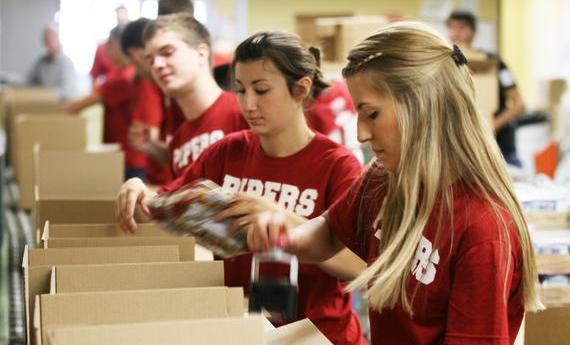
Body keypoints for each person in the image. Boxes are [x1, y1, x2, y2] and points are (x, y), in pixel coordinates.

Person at [247, 22, 542, 345]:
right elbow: (333, 230)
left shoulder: (482, 230)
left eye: (371, 114)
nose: (361, 134)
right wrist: (287, 235)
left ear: (421, 109)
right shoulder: (383, 179)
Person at [117, 31, 369, 345]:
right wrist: (138, 190)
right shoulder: (226, 153)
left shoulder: (338, 166)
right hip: (243, 333)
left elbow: (361, 267)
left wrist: (286, 226)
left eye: (261, 90)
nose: (248, 104)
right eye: (240, 89)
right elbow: (165, 206)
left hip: (318, 336)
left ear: (300, 89)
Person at [140, 14, 248, 178]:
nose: (157, 65)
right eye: (150, 60)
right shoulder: (178, 141)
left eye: (167, 52)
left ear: (201, 53)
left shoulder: (245, 112)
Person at [447, 10, 525, 167]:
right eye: (452, 27)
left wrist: (490, 126)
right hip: (464, 151)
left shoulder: (494, 63)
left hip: (499, 148)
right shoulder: (447, 64)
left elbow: (519, 105)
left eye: (462, 27)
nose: (456, 32)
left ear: (473, 32)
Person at [66, 25, 142, 180]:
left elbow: (84, 102)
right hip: (117, 150)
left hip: (129, 157)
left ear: (121, 45)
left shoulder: (126, 77)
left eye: (110, 44)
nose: (105, 49)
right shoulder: (117, 71)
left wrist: (61, 110)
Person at [121, 18, 172, 185]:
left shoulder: (149, 86)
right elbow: (177, 155)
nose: (157, 65)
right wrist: (148, 145)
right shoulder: (161, 88)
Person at [28, 25, 77, 100]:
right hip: (43, 103)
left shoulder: (66, 63)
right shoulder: (41, 62)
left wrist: (44, 94)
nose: (48, 42)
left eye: (51, 38)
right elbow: (29, 81)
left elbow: (67, 92)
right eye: (46, 39)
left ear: (58, 39)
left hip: (61, 106)